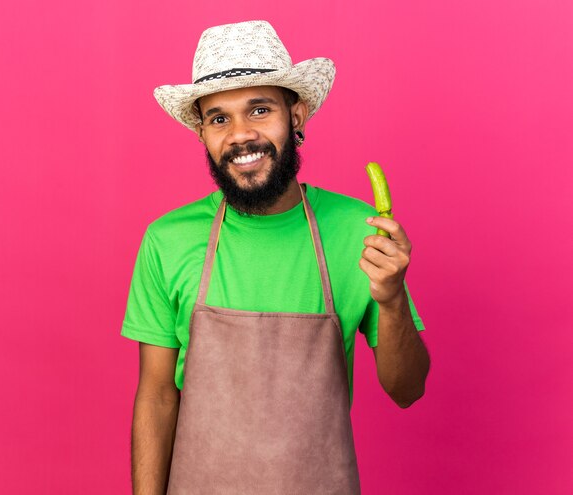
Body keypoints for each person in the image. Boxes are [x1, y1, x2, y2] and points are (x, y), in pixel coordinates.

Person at [121, 20, 430, 495]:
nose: (241, 135)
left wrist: (390, 301)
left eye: (259, 110)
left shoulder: (359, 231)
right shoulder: (168, 240)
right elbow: (158, 396)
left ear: (297, 115)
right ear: (202, 133)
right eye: (219, 118)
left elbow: (407, 390)